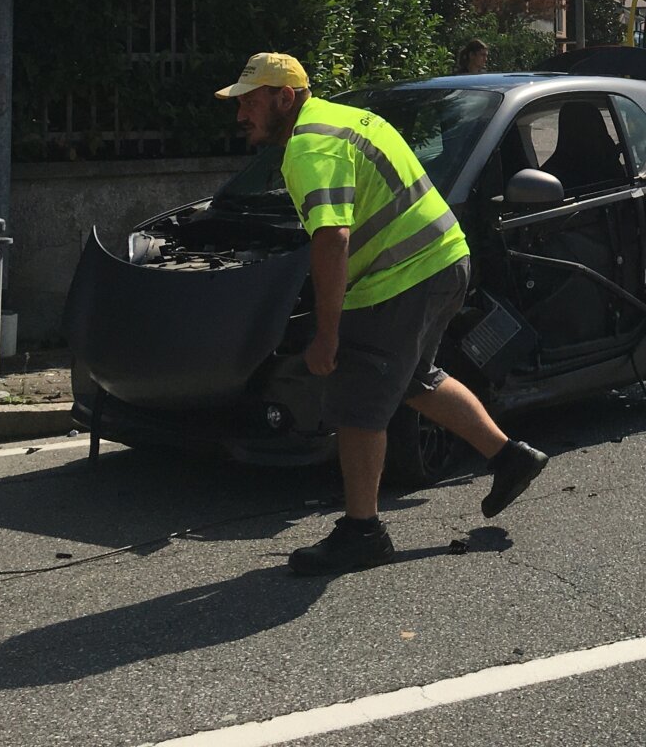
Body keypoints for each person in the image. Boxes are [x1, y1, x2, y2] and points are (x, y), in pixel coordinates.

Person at [216, 51, 547, 577]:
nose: (240, 115)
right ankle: (510, 457)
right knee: (414, 378)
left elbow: (331, 238)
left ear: (284, 97)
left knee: (359, 400)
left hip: (401, 277)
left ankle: (362, 532)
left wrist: (327, 334)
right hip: (444, 260)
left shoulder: (308, 145)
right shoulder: (346, 117)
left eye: (249, 102)